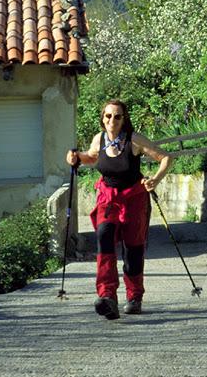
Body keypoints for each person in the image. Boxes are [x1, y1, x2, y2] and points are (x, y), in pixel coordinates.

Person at [66, 98, 172, 320]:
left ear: (124, 119)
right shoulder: (100, 139)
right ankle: (107, 296)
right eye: (108, 116)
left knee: (132, 249)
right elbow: (92, 158)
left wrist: (156, 180)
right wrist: (76, 159)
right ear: (102, 118)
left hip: (134, 198)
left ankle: (134, 297)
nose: (111, 120)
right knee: (104, 238)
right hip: (107, 197)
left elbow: (165, 158)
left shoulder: (134, 140)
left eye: (117, 116)